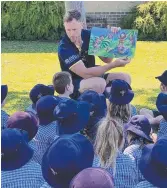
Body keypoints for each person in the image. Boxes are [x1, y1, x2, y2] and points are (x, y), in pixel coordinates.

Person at [58, 10, 131, 99]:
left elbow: (107, 60)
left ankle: (118, 109)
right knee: (99, 84)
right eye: (68, 30)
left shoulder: (90, 35)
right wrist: (114, 65)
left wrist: (112, 39)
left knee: (125, 78)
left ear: (81, 25)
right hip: (73, 83)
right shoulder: (64, 47)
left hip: (94, 75)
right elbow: (85, 74)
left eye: (74, 29)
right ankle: (101, 108)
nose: (72, 34)